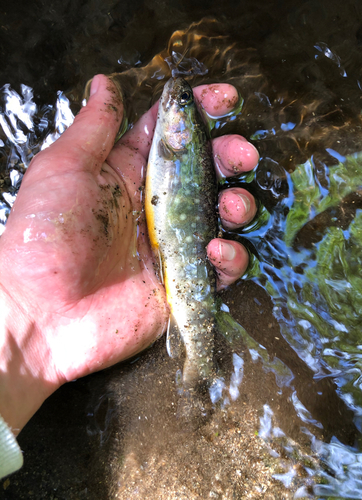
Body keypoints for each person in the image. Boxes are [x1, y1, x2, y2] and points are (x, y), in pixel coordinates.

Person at [0, 74, 259, 479]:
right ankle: (201, 372)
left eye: (182, 106)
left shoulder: (174, 147)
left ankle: (200, 367)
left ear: (182, 132)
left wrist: (22, 305)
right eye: (180, 104)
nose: (176, 99)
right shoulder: (170, 148)